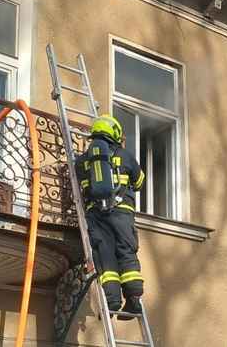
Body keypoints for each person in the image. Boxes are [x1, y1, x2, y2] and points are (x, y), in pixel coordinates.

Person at [75, 114, 146, 318]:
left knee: (105, 255)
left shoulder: (83, 160)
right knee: (126, 251)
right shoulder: (125, 155)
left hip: (96, 214)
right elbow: (139, 182)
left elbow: (78, 182)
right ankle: (133, 300)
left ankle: (112, 300)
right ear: (114, 133)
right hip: (122, 213)